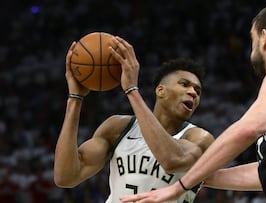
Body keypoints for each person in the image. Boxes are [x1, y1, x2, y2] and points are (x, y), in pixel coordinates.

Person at [120, 2, 266, 203]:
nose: (252, 48)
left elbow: (247, 129)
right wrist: (199, 176)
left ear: (264, 37)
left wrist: (179, 186)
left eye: (252, 39)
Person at [53, 36, 214, 203]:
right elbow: (65, 177)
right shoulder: (119, 128)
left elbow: (172, 160)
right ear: (160, 91)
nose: (193, 92)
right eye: (184, 84)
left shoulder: (198, 138)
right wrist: (75, 99)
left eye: (198, 90)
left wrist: (132, 90)